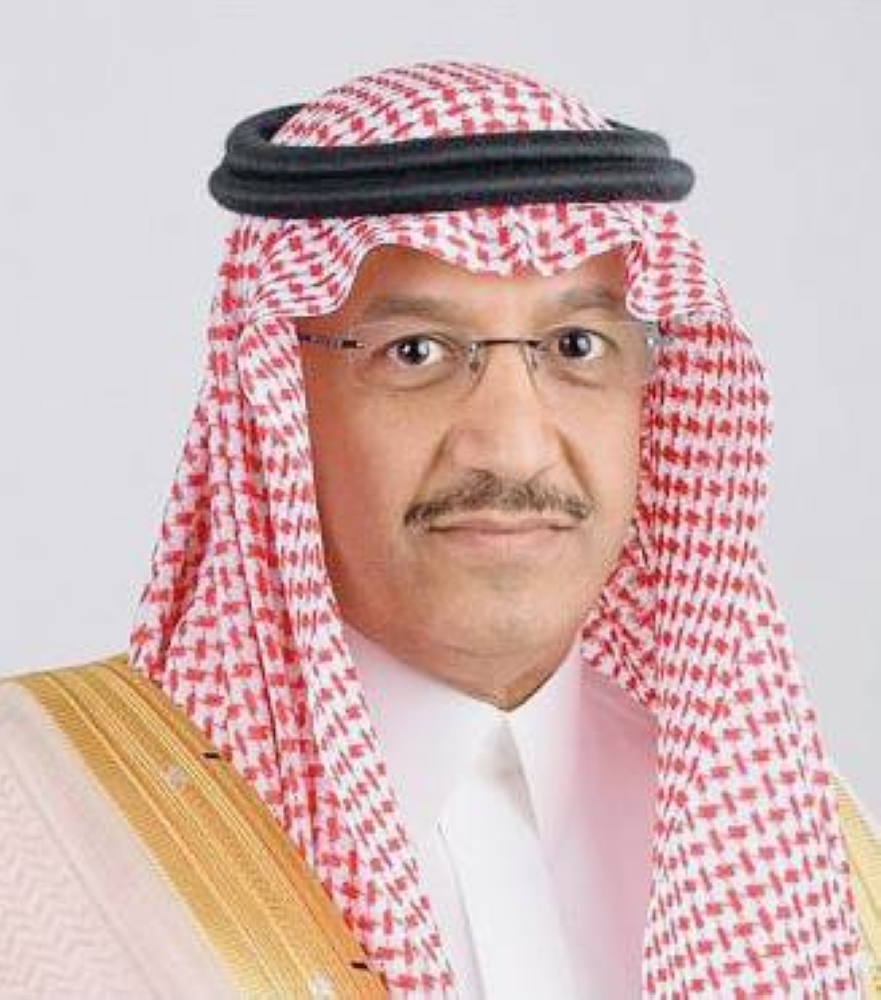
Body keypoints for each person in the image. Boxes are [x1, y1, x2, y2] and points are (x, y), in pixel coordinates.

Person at [1, 60, 879, 999]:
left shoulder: (806, 857)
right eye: (414, 352)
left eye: (576, 346)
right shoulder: (38, 815)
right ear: (275, 404)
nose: (511, 445)